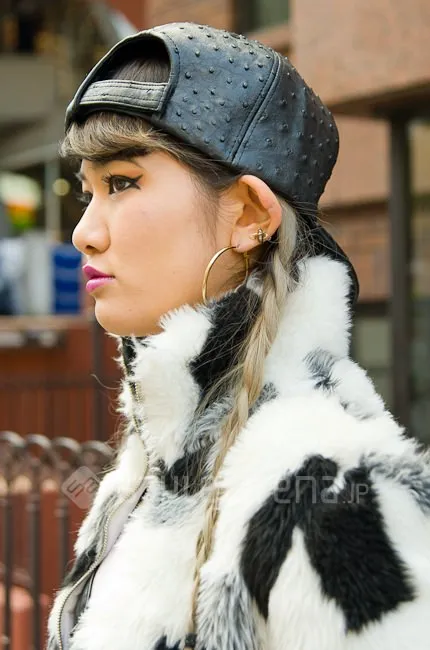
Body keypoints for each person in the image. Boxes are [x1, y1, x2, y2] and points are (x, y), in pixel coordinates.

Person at [47, 22, 430, 650]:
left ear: (250, 214)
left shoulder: (332, 493)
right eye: (89, 191)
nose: (83, 233)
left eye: (121, 183)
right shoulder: (151, 465)